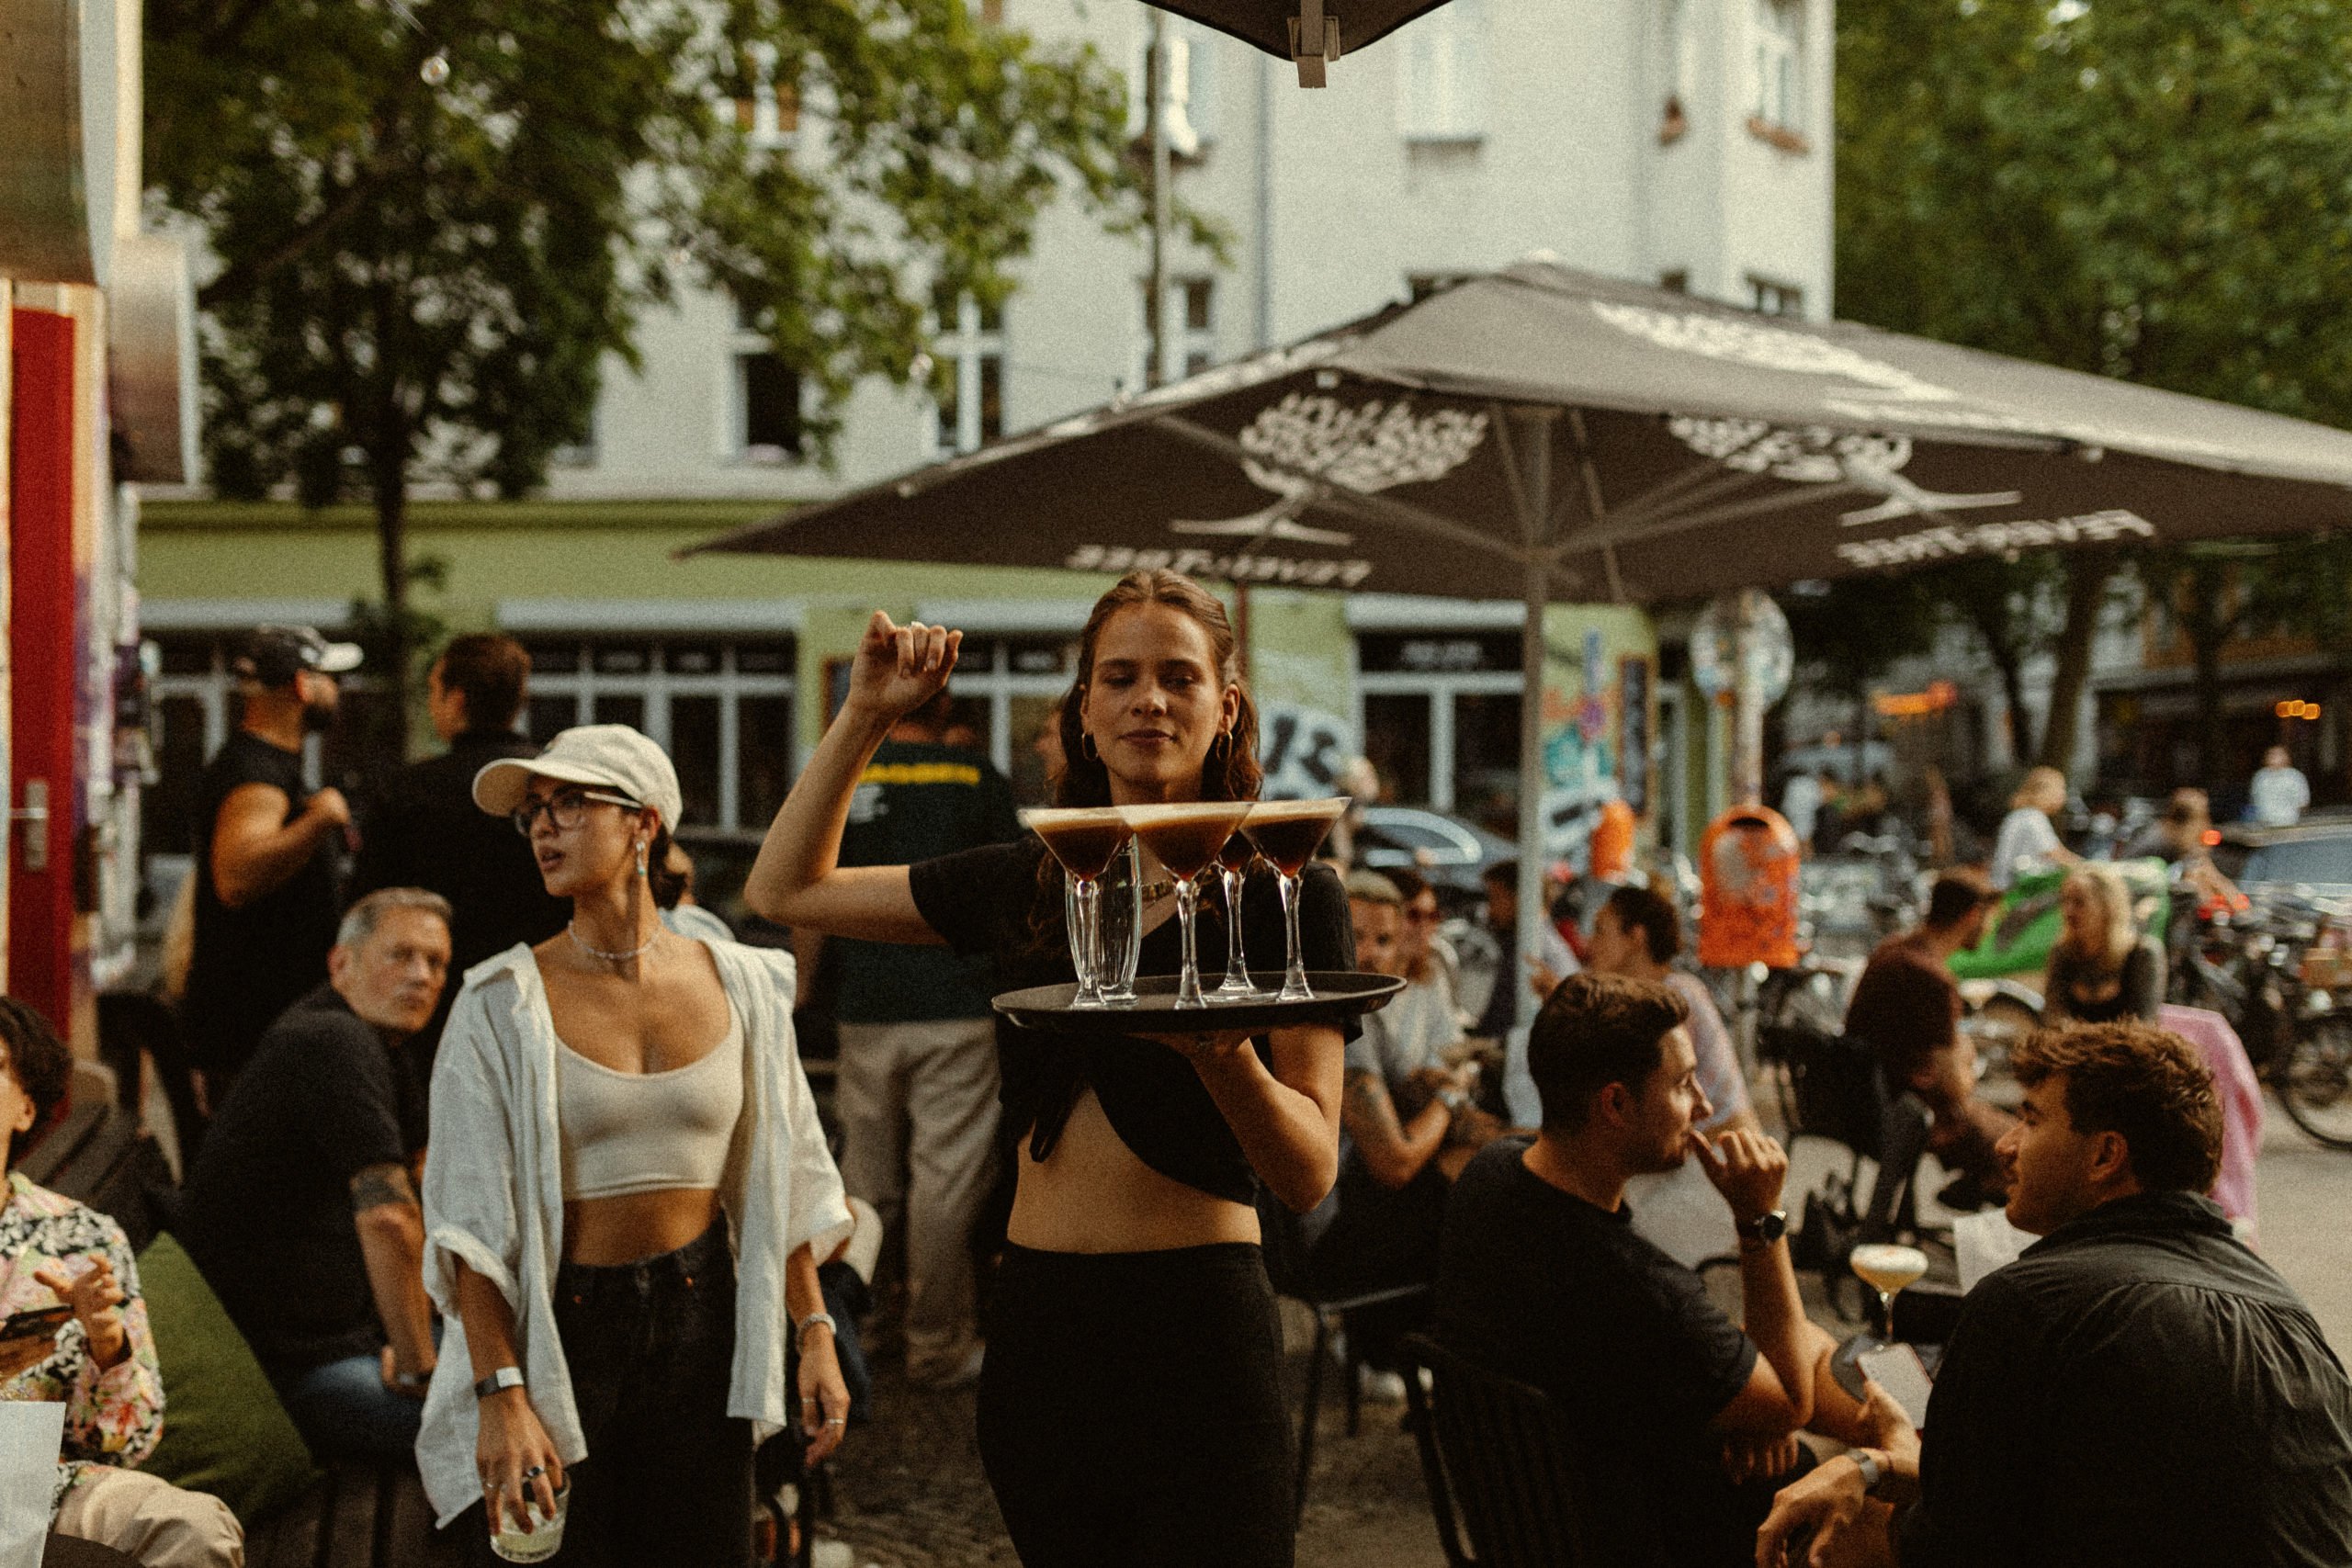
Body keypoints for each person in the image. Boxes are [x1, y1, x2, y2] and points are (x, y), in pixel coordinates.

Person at [741, 570, 1353, 1568]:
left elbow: (1308, 1171)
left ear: (1223, 704)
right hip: (1039, 1323)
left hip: (1197, 1319)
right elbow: (786, 885)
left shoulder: (1283, 893)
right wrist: (864, 715)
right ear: (1083, 709)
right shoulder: (1030, 881)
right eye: (1118, 677)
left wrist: (1222, 1054)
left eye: (1177, 677)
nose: (1147, 700)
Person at [418, 725, 853, 1563]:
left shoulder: (745, 984)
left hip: (708, 1314)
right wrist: (501, 1391)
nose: (543, 827)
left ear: (645, 824)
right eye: (533, 812)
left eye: (570, 804)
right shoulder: (498, 1003)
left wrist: (814, 1331)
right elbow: (468, 1224)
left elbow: (780, 1173)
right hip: (566, 1326)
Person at [1757, 1020, 2352, 1568]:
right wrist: (1878, 1462)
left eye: (2033, 1119)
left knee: (1831, 1534)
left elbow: (1951, 1548)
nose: (2005, 1144)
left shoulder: (2028, 1299)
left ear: (2104, 1155)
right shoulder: (2290, 1313)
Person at [1434, 974, 1882, 1567]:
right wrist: (1760, 1220)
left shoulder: (1491, 1172)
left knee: (1814, 1358)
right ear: (1615, 1103)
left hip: (1530, 1525)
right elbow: (1792, 1400)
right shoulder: (1639, 1288)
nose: (1703, 1105)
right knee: (1881, 1505)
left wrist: (1746, 1413)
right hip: (1651, 1535)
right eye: (1684, 1083)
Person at [177, 889, 451, 1460]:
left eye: (436, 962)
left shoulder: (385, 1045)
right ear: (341, 964)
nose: (421, 976)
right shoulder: (331, 1041)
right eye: (400, 955)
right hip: (284, 1369)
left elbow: (428, 1186)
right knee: (495, 1434)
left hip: (349, 1334)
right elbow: (391, 1216)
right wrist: (424, 1368)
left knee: (526, 1380)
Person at [0, 999, 243, 1567]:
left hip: (37, 1480)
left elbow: (127, 1440)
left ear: (26, 1108)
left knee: (195, 1528)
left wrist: (107, 1342)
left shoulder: (80, 1236)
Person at [827, 685, 1019, 1390]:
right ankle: (935, 1346)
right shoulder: (976, 778)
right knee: (946, 1181)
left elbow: (807, 893)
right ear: (949, 717)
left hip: (865, 1004)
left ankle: (861, 1327)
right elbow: (1011, 893)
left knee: (864, 1183)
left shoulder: (848, 775)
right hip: (956, 1005)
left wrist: (810, 991)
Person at [1306, 874, 1497, 1371]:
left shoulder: (1366, 1012)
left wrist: (1513, 1138)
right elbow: (1393, 1161)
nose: (1369, 954)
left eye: (1384, 940)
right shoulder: (1337, 1013)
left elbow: (1412, 1088)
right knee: (1478, 1192)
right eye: (1355, 937)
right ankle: (1426, 1359)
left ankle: (1425, 1357)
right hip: (1321, 1241)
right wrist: (1452, 1097)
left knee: (1488, 1166)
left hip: (1356, 1214)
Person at [349, 634, 568, 1045]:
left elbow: (369, 906)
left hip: (436, 1008)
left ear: (458, 698)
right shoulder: (558, 788)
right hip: (547, 1001)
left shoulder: (407, 792)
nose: (431, 705)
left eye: (433, 690)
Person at [182, 624, 361, 1100]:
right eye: (330, 678)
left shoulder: (267, 765)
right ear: (302, 685)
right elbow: (235, 878)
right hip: (252, 1034)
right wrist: (319, 821)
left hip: (263, 1029)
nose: (337, 691)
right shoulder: (256, 774)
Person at [1841, 870, 2016, 1206]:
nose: (1991, 928)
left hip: (1863, 1103)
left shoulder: (1892, 950)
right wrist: (1965, 1061)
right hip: (1908, 1113)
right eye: (1990, 918)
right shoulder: (1932, 977)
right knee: (2021, 1149)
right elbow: (1956, 1086)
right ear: (1973, 916)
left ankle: (1975, 1185)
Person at [2045, 862, 2163, 1025]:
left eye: (2079, 902)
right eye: (2065, 901)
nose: (2069, 911)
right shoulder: (2062, 953)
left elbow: (2142, 1023)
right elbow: (2054, 1018)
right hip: (2073, 1048)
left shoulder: (2142, 954)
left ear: (2108, 907)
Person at [1987, 765, 2076, 890]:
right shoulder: (2033, 817)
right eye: (2061, 789)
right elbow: (2055, 854)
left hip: (2003, 884)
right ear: (2044, 791)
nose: (2064, 796)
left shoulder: (2019, 815)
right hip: (2015, 889)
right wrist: (2090, 867)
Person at [2250, 744, 2312, 828]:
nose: (2274, 757)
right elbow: (2255, 800)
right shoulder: (2260, 777)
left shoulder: (2295, 777)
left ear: (2287, 757)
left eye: (2279, 754)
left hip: (2288, 824)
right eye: (2271, 754)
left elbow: (2303, 803)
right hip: (2263, 824)